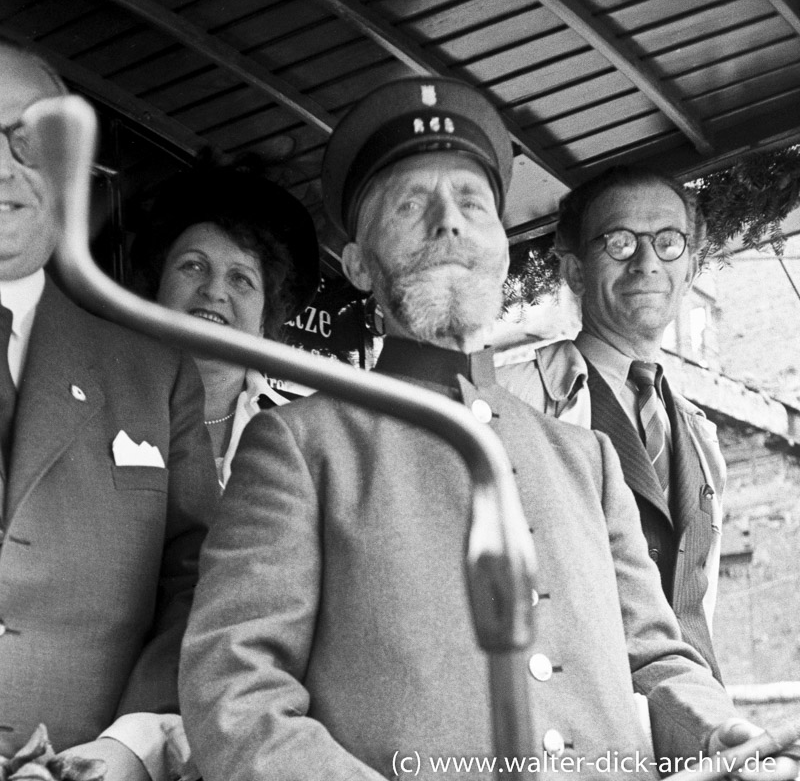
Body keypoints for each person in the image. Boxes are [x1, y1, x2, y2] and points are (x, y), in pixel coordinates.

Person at [178, 77, 794, 781]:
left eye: (472, 203)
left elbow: (656, 656)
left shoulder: (585, 457)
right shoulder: (300, 446)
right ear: (357, 264)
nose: (450, 223)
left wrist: (728, 736)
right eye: (413, 204)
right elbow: (234, 690)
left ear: (501, 249)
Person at [0, 38, 217, 781]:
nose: (2, 168)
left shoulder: (153, 372)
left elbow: (198, 576)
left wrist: (129, 748)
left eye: (26, 140)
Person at [496, 166, 725, 680]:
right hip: (567, 731)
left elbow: (695, 602)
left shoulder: (703, 439)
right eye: (619, 242)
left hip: (686, 729)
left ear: (688, 271)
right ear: (575, 272)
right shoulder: (508, 401)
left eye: (669, 242)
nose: (646, 262)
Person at [129, 157, 320, 488]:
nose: (214, 290)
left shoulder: (304, 435)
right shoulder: (101, 396)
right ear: (158, 287)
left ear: (264, 319)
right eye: (193, 266)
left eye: (240, 279)